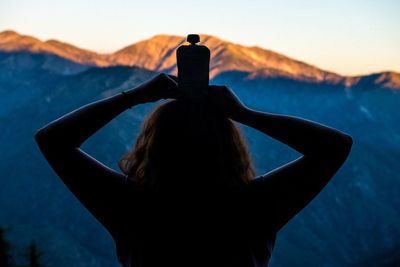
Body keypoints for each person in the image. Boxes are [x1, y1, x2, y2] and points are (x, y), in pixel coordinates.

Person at [34, 73, 353, 267]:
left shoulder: (132, 204)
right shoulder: (254, 205)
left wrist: (135, 96)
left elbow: (53, 140)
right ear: (230, 147)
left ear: (153, 145)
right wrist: (244, 114)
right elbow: (335, 146)